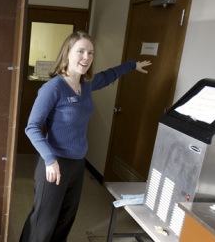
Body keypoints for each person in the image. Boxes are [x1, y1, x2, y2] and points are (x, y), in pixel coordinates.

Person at [19, 30, 152, 242]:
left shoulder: (86, 85)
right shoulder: (53, 88)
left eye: (90, 53)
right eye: (80, 51)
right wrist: (50, 159)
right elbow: (32, 127)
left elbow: (109, 75)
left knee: (65, 219)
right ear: (68, 53)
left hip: (77, 163)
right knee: (43, 222)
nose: (86, 57)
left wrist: (132, 65)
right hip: (55, 163)